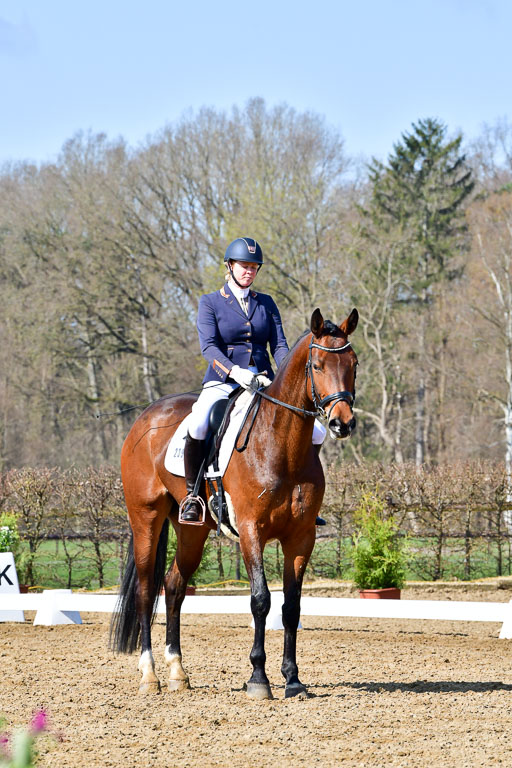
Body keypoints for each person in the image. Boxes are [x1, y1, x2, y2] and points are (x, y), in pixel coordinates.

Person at [180, 236, 326, 523]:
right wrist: (234, 372)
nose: (249, 271)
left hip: (264, 382)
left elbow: (280, 345)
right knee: (198, 423)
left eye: (254, 267)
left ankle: (302, 493)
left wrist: (286, 376)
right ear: (230, 266)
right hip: (225, 380)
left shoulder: (267, 304)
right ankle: (193, 495)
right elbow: (209, 347)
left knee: (318, 430)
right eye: (243, 266)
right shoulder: (210, 302)